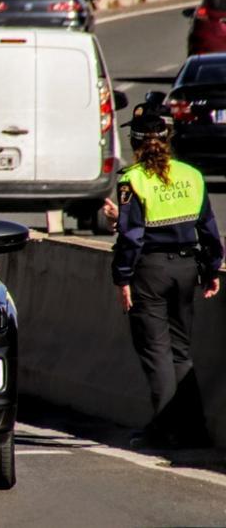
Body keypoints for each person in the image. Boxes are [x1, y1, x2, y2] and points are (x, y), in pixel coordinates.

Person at [111, 111, 223, 448]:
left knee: (156, 352)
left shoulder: (133, 180)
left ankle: (164, 430)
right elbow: (209, 228)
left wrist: (122, 277)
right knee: (180, 352)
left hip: (150, 270)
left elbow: (131, 237)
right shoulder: (192, 175)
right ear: (167, 139)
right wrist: (212, 268)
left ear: (135, 143)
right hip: (187, 269)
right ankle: (195, 430)